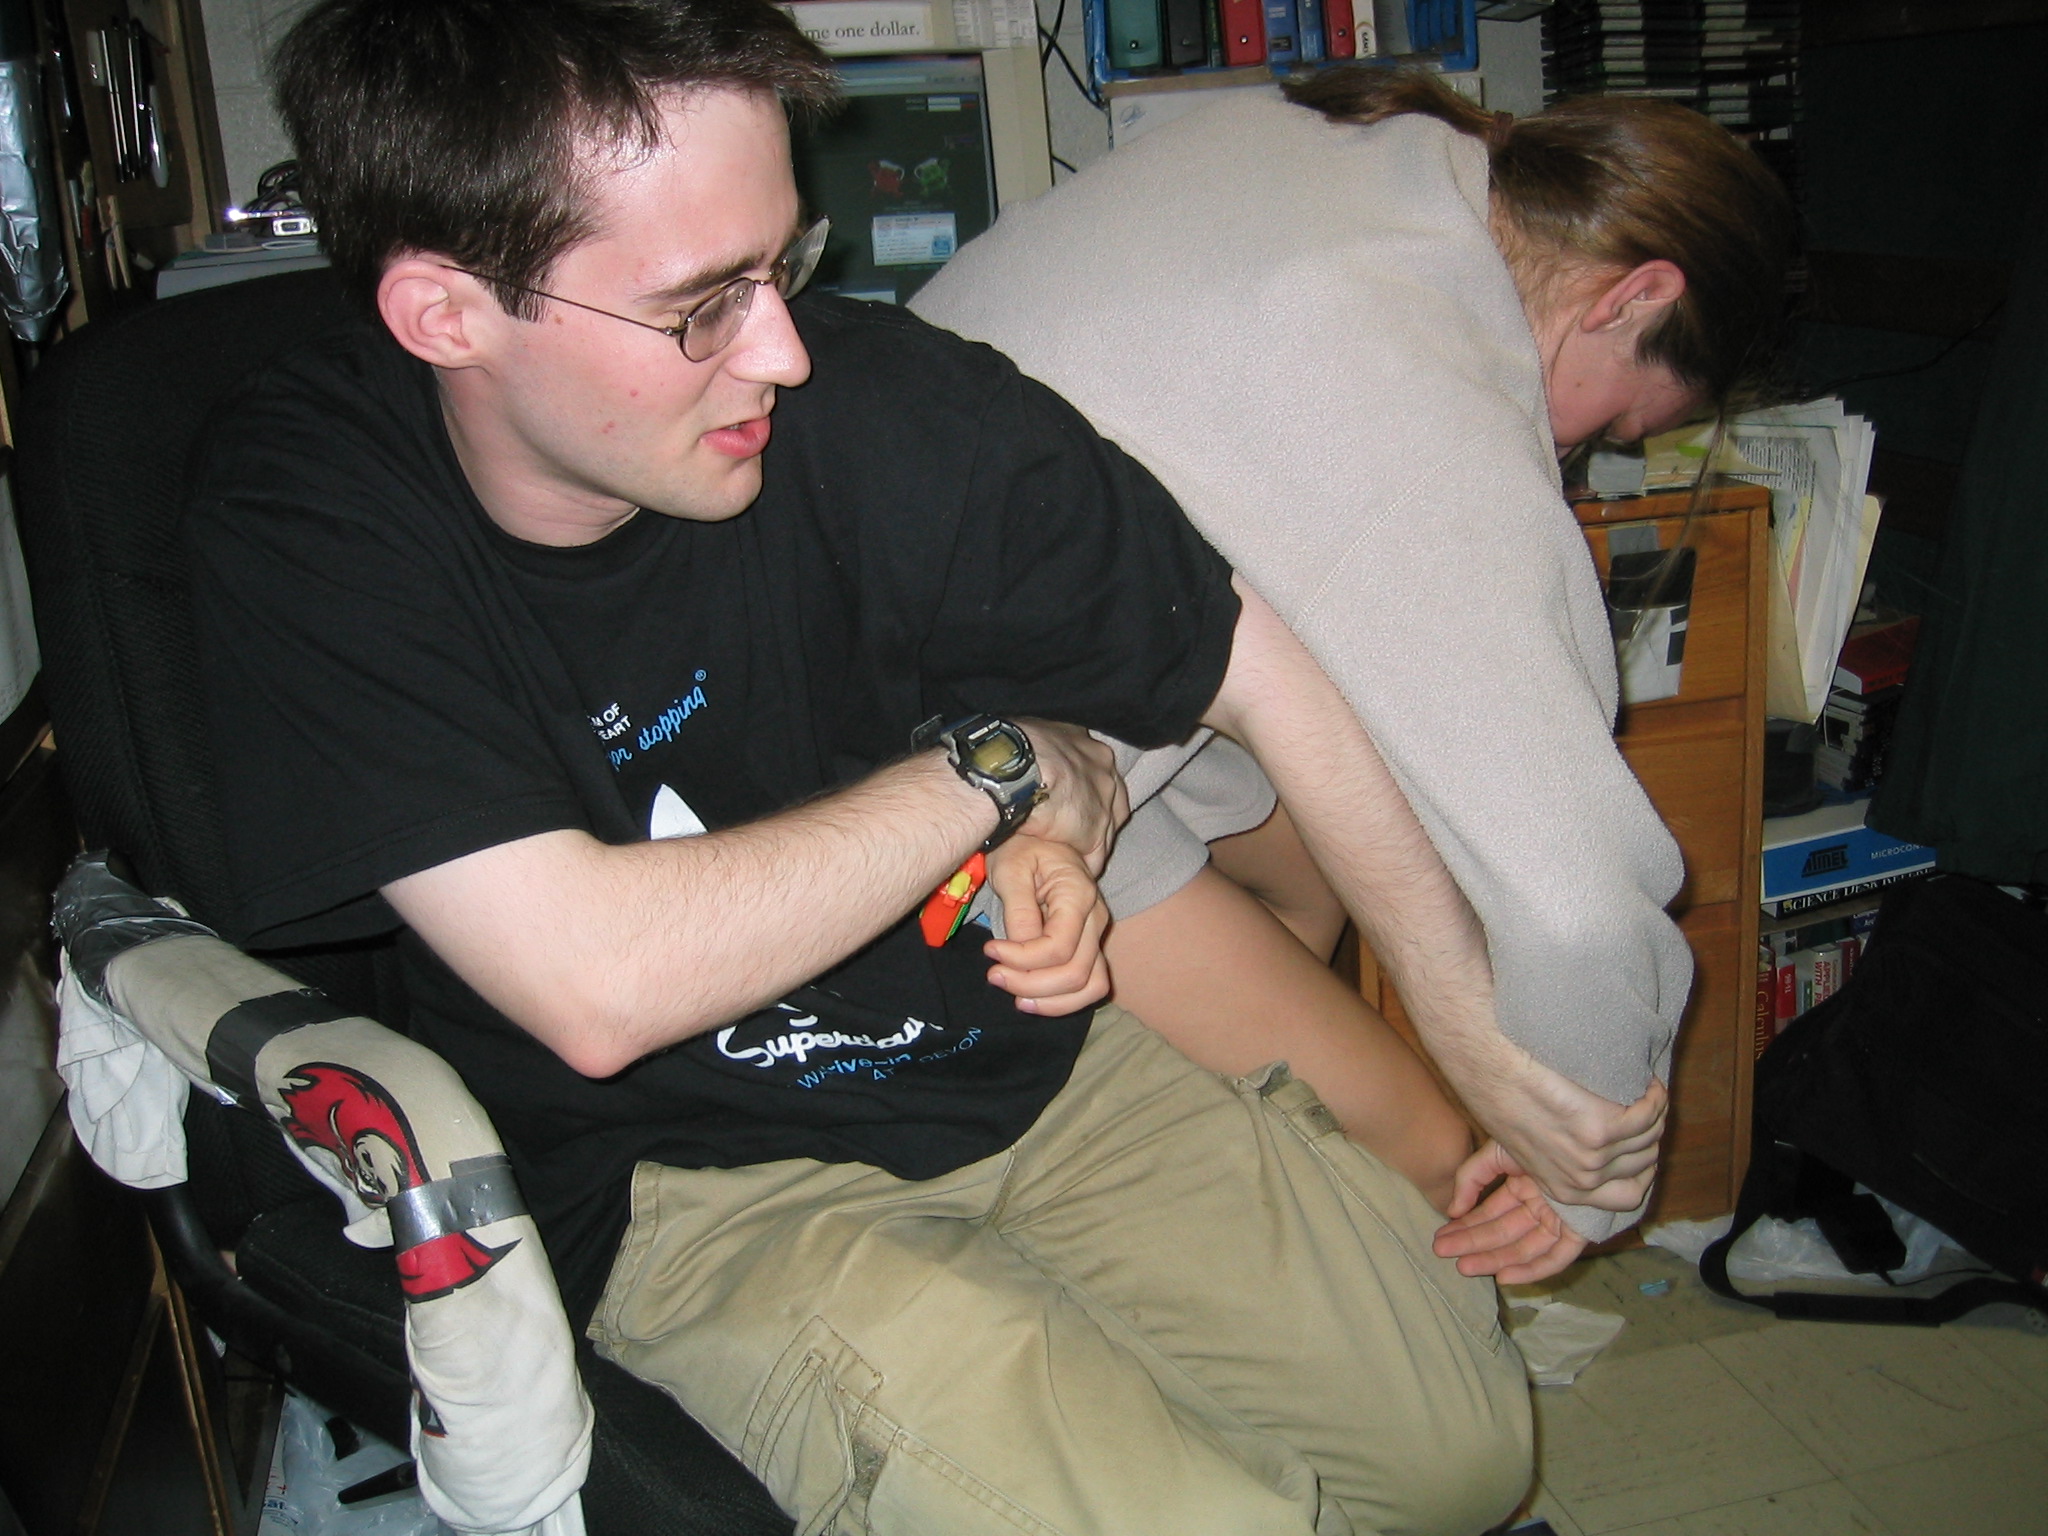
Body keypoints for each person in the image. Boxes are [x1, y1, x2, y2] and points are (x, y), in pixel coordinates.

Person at [184, 3, 1537, 1531]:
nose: (783, 350)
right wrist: (998, 770)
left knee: (1468, 1460)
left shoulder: (887, 397)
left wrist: (1481, 1037)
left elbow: (1253, 667)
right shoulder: (313, 512)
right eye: (703, 304)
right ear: (447, 315)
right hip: (686, 1179)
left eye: (786, 263)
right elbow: (599, 985)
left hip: (1015, 1062)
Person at [912, 67, 1797, 1258]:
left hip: (921, 636)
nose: (1575, 452)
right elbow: (1576, 908)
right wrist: (1588, 1175)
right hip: (930, 785)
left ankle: (1211, 1141)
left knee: (1323, 864)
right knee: (1429, 1145)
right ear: (1631, 296)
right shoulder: (1415, 383)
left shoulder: (1343, 140)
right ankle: (1259, 1162)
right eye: (1608, 421)